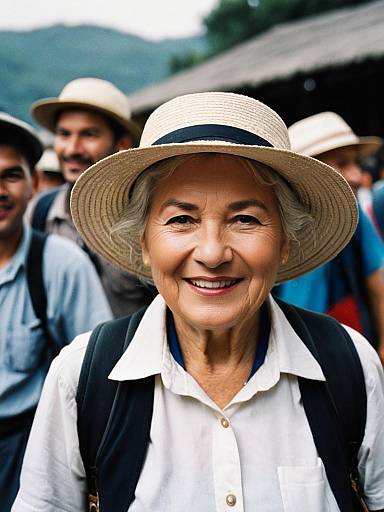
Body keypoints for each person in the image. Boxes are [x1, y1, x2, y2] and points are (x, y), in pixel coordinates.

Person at [13, 93, 384, 511]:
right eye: (181, 220)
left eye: (245, 219)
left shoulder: (351, 368)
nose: (211, 252)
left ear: (284, 242)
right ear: (145, 244)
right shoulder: (80, 379)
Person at [0, 112, 112, 511]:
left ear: (33, 185)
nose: (0, 190)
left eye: (11, 175)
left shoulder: (61, 266)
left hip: (26, 445)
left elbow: (99, 376)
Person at [29, 77, 156, 317]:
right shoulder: (41, 212)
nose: (72, 149)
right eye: (64, 134)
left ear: (122, 143)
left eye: (89, 134)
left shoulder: (143, 217)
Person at [274, 112, 384, 362]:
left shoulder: (353, 216)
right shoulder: (271, 226)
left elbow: (379, 280)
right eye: (343, 163)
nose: (357, 175)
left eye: (356, 163)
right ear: (312, 171)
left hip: (346, 353)